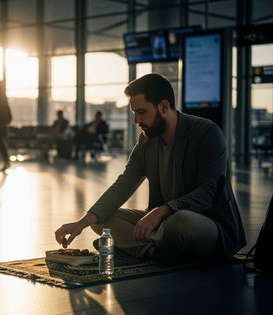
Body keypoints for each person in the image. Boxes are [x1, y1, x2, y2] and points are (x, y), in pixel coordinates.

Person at [55, 73, 246, 265]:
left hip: (206, 222)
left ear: (163, 107)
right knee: (100, 220)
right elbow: (124, 183)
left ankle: (133, 245)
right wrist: (81, 223)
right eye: (133, 113)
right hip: (162, 224)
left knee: (180, 223)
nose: (136, 120)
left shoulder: (206, 133)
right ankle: (155, 252)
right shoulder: (147, 141)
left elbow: (208, 192)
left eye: (142, 112)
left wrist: (163, 210)